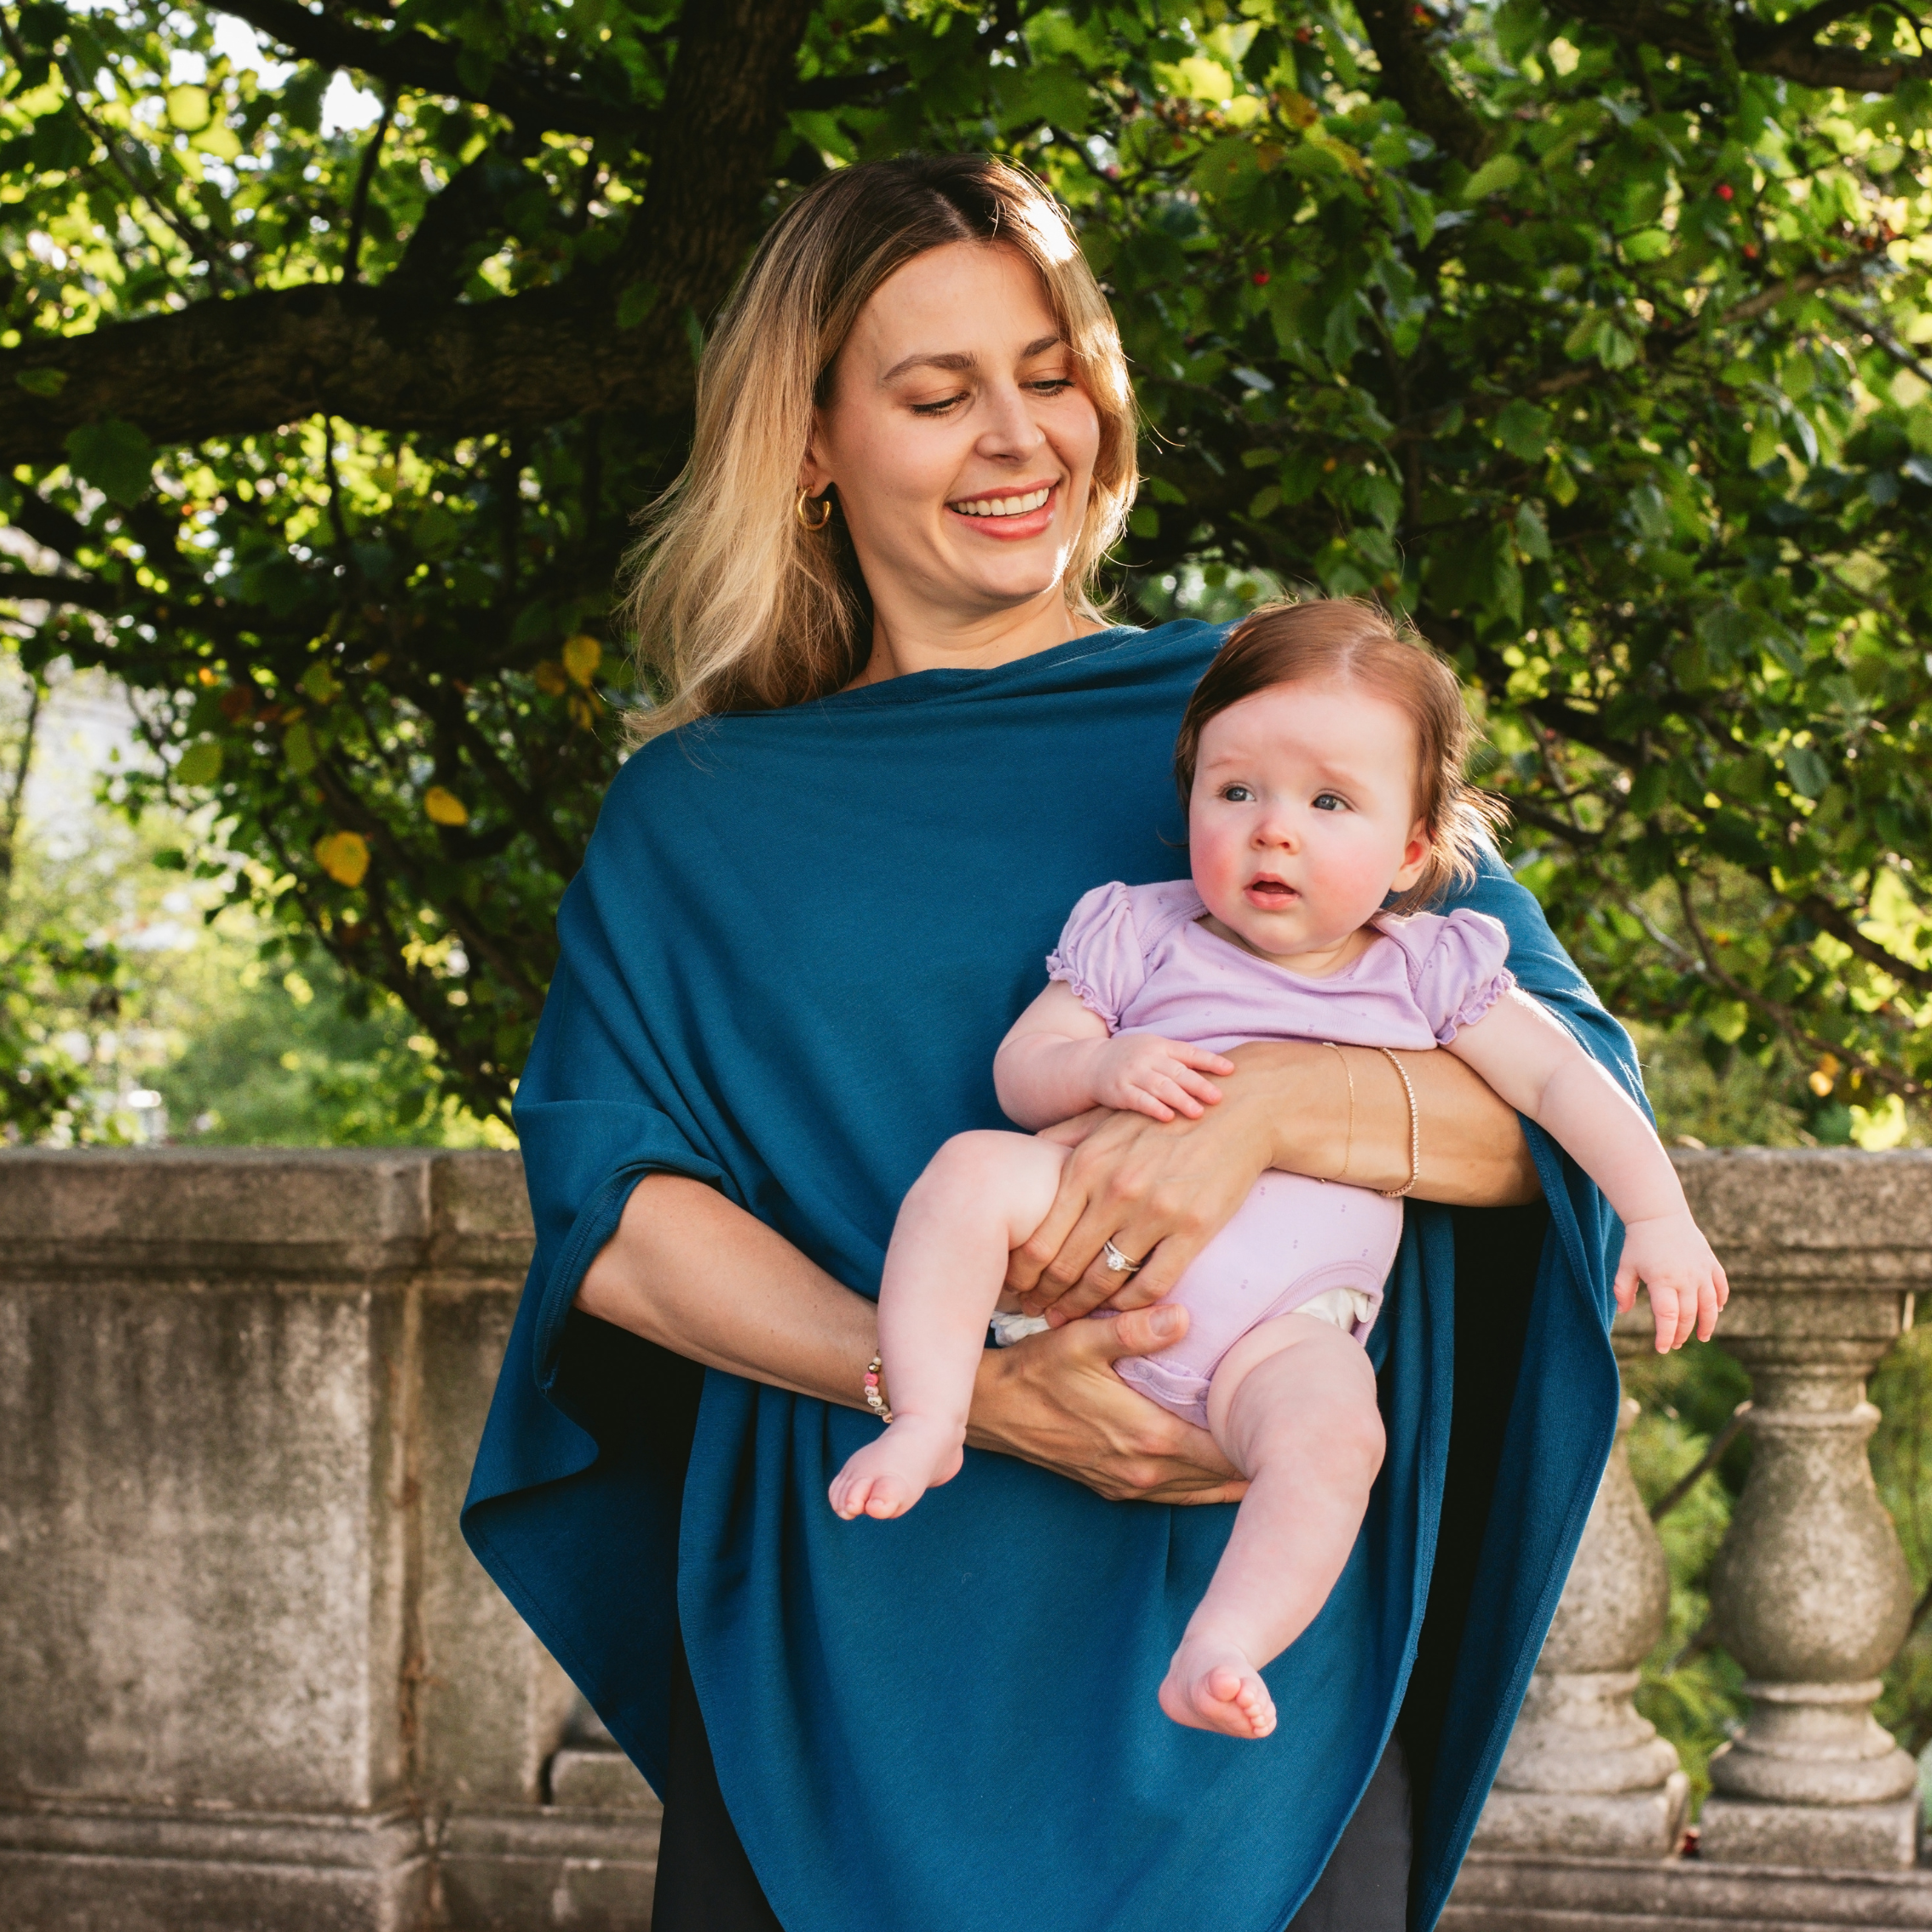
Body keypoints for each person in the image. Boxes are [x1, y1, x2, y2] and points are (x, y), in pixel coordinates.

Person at [462, 152, 1640, 1932]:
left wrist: (1267, 1112)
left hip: (1240, 1684)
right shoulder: (698, 816)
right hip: (844, 1661)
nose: (1023, 439)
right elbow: (613, 1224)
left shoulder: (1263, 723)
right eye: (937, 396)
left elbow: (1557, 1114)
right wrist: (965, 1394)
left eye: (1053, 371)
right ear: (808, 439)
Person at [830, 599, 1728, 1745]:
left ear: (1412, 850)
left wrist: (1657, 1215)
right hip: (1064, 1283)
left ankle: (1226, 1643)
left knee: (1336, 1437)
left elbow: (1562, 1087)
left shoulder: (1425, 972)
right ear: (1191, 795)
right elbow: (1023, 1071)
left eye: (1329, 802)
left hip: (1280, 1336)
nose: (1273, 831)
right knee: (965, 1173)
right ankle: (930, 1413)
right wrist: (1103, 1061)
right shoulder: (1140, 935)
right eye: (1235, 790)